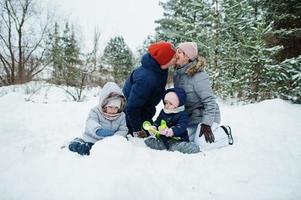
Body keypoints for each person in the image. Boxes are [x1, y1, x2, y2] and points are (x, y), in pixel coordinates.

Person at [173, 42, 233, 150]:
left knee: (202, 144)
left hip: (206, 117)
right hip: (190, 118)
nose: (175, 54)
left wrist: (206, 124)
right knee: (179, 138)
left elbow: (210, 101)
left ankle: (225, 132)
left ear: (187, 56)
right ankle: (195, 133)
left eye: (179, 52)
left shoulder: (199, 76)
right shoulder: (177, 75)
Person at [123, 41, 177, 138]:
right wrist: (137, 130)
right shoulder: (146, 78)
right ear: (164, 59)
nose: (176, 59)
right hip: (132, 117)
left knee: (154, 134)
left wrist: (170, 100)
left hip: (145, 111)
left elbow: (158, 89)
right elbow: (132, 107)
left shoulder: (160, 69)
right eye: (173, 57)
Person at [68, 82, 128, 155]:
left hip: (111, 141)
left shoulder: (121, 115)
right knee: (89, 151)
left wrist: (116, 137)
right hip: (94, 139)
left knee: (118, 150)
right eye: (110, 107)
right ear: (104, 105)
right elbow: (91, 121)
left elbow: (123, 129)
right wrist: (98, 130)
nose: (113, 110)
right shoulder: (96, 111)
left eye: (116, 108)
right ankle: (77, 143)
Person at [144, 88, 200, 154]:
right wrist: (154, 126)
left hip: (177, 140)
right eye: (166, 102)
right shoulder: (163, 111)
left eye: (170, 104)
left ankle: (191, 147)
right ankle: (164, 145)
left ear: (177, 105)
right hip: (164, 139)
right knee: (150, 142)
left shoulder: (182, 114)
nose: (167, 105)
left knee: (174, 148)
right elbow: (158, 121)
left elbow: (182, 126)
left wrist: (172, 131)